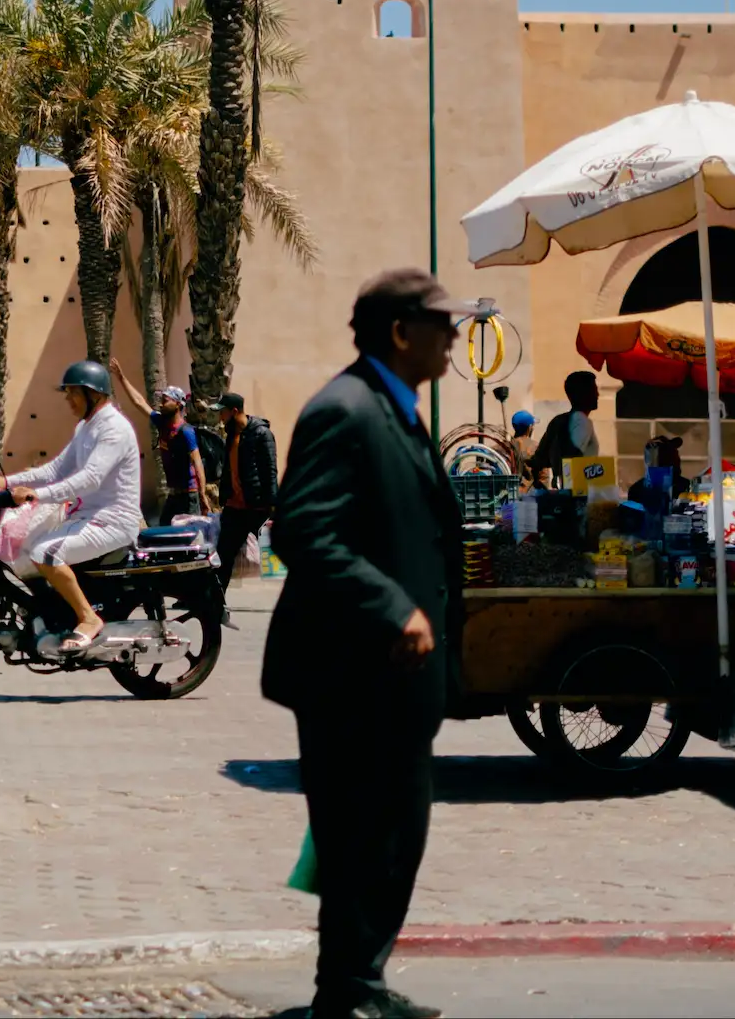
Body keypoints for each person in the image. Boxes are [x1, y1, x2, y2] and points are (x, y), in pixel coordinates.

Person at [262, 267, 469, 1019]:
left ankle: (360, 983)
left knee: (390, 839)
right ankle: (345, 994)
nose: (454, 338)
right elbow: (303, 531)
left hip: (395, 679)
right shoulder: (344, 410)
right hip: (349, 671)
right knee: (358, 840)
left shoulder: (397, 407)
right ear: (399, 333)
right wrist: (393, 608)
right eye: (442, 325)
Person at [0, 360, 143, 652]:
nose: (68, 400)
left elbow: (91, 478)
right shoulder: (86, 427)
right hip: (87, 516)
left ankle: (88, 618)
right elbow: (55, 470)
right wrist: (6, 481)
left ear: (93, 394)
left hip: (113, 521)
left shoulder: (114, 429)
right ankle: (54, 614)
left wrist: (37, 496)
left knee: (45, 552)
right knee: (28, 544)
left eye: (73, 393)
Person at [110, 361, 208, 521]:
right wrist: (121, 378)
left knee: (188, 536)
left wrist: (202, 494)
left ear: (177, 404)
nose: (161, 403)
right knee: (164, 531)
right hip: (173, 495)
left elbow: (197, 463)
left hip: (188, 496)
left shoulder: (186, 431)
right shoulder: (161, 422)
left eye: (166, 400)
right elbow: (139, 402)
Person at [210, 391, 278, 605]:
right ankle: (215, 603)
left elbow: (270, 470)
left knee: (280, 553)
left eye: (223, 412)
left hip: (257, 507)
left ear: (235, 411)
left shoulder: (261, 434)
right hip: (235, 508)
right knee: (223, 556)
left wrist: (273, 506)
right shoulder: (231, 434)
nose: (220, 417)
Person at [530, 370, 600, 487]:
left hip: (565, 490)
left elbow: (540, 459)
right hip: (580, 493)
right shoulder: (581, 421)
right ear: (583, 394)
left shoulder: (558, 420)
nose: (597, 394)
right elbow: (572, 458)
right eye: (594, 390)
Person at [508, 409, 536, 486]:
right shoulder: (536, 447)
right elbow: (543, 477)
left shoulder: (503, 446)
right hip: (531, 495)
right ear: (530, 427)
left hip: (507, 493)